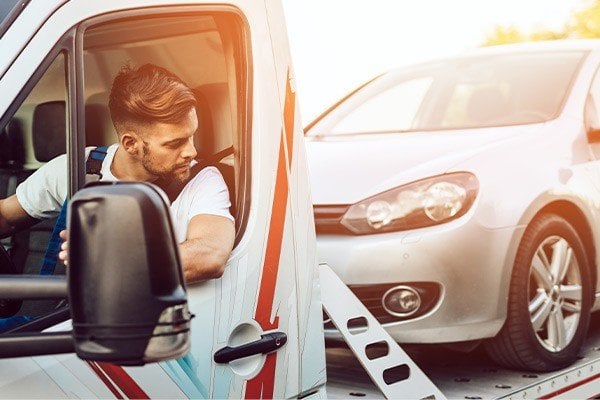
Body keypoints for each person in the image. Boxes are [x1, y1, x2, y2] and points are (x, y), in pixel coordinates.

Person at [0, 63, 235, 283]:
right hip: (59, 316)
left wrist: (111, 253)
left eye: (192, 135)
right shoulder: (77, 168)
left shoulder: (203, 180)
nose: (191, 152)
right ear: (131, 143)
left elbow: (210, 254)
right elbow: (7, 218)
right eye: (175, 143)